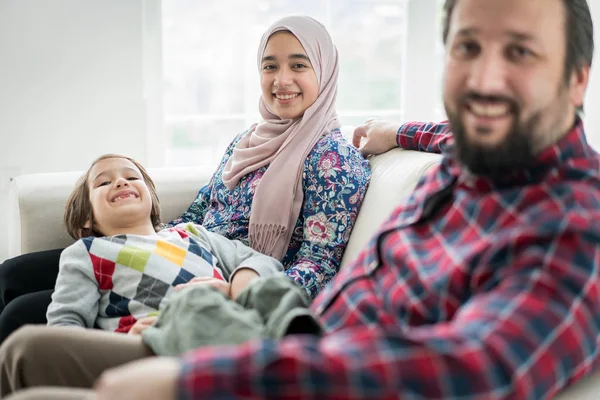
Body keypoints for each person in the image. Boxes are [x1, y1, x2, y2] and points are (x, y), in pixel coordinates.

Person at [3, 0, 600, 398]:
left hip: (279, 353)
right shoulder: (478, 155)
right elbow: (202, 212)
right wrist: (401, 133)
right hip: (277, 327)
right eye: (467, 48)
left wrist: (200, 372)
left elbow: (477, 369)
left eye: (520, 51)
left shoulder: (575, 223)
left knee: (21, 334)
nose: (484, 79)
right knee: (25, 341)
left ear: (577, 77)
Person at [0, 14, 370, 342]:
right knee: (13, 275)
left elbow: (320, 265)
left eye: (299, 65)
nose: (281, 80)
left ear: (324, 70)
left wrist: (241, 289)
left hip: (217, 277)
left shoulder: (333, 161)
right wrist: (136, 240)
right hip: (175, 251)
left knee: (20, 314)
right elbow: (199, 210)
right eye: (270, 66)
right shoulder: (247, 141)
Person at [45, 153, 283, 335]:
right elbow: (65, 325)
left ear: (151, 197)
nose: (120, 182)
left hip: (223, 329)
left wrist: (237, 287)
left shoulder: (191, 234)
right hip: (151, 344)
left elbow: (262, 261)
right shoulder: (88, 252)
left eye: (131, 177)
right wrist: (123, 345)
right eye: (103, 183)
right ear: (86, 217)